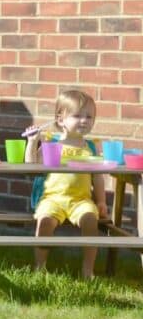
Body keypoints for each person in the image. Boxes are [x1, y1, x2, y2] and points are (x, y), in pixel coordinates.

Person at [23, 89, 108, 279]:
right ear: (60, 120)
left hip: (81, 200)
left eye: (89, 116)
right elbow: (31, 166)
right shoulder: (51, 142)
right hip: (52, 199)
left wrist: (101, 202)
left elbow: (98, 177)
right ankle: (40, 267)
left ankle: (88, 270)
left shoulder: (92, 146)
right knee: (45, 223)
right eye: (77, 116)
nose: (84, 121)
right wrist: (32, 142)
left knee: (90, 221)